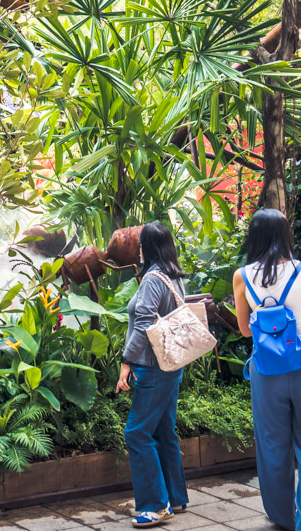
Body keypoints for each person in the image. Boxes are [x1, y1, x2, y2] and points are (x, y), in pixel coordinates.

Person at [233, 209, 301, 531]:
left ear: (253, 237)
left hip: (266, 371)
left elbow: (244, 329)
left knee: (272, 445)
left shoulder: (242, 276)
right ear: (287, 237)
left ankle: (284, 517)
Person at [116, 221, 190, 528]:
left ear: (145, 248)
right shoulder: (173, 275)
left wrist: (126, 362)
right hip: (172, 364)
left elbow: (145, 323)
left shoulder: (152, 279)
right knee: (162, 431)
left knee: (136, 432)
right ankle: (175, 497)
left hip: (154, 366)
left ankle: (155, 505)